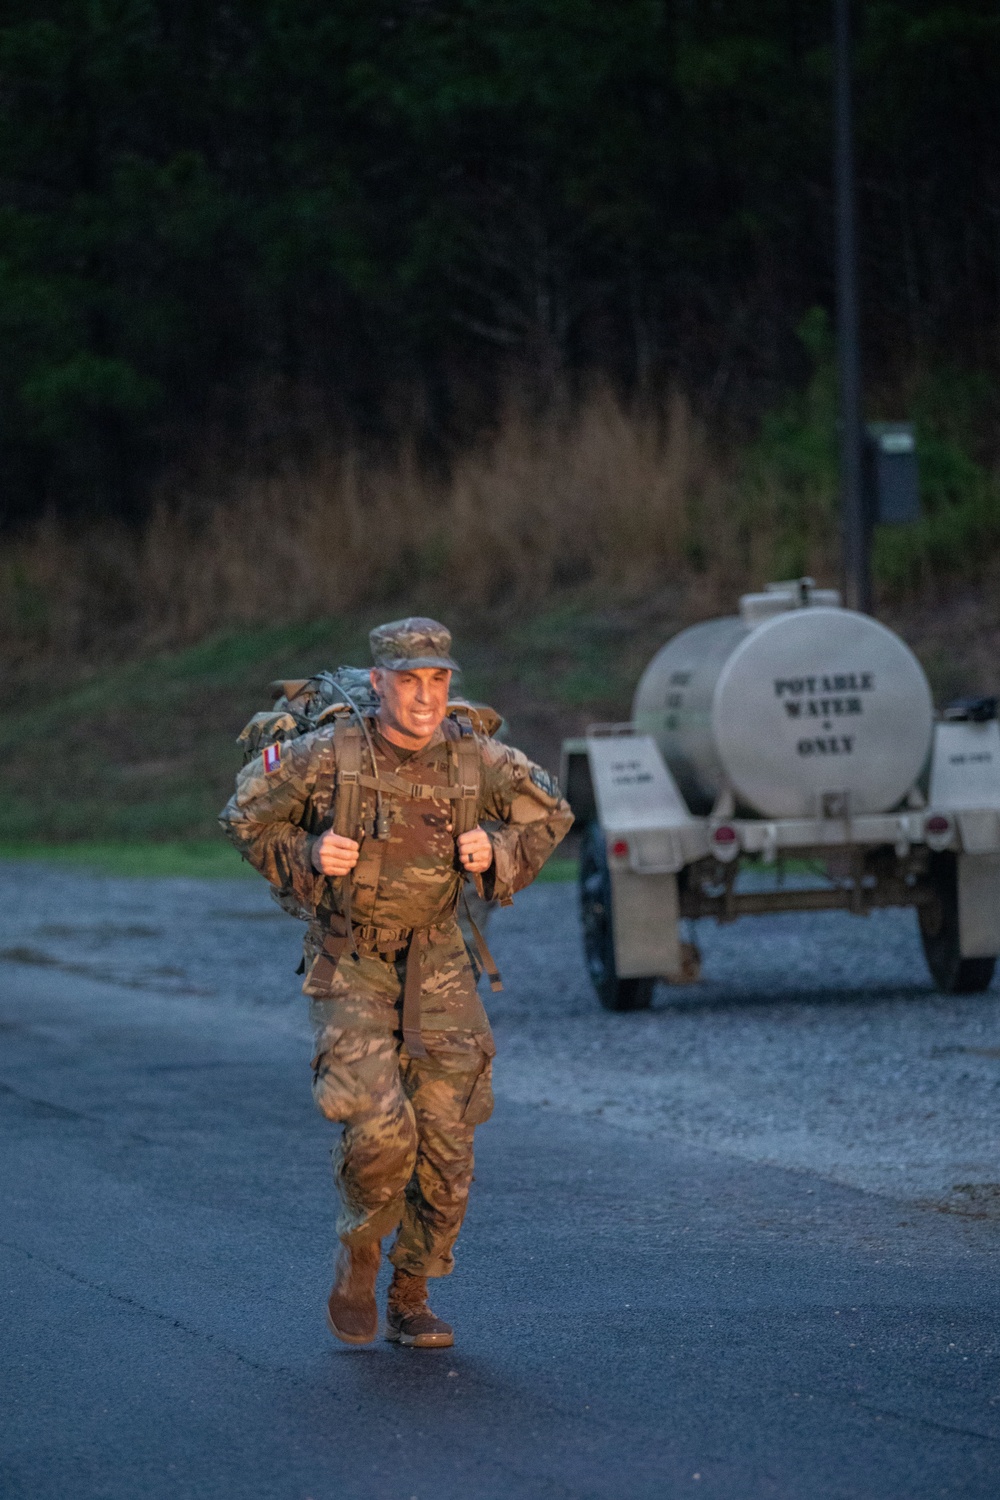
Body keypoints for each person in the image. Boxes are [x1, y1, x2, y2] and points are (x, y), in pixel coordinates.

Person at [220, 617, 572, 1349]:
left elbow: (553, 813)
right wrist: (311, 852)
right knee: (382, 1133)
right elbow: (245, 817)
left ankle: (411, 1294)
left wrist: (497, 853)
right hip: (351, 958)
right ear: (378, 683)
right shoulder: (325, 756)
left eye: (437, 680)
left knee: (448, 1147)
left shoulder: (478, 759)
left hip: (439, 961)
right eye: (408, 681)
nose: (424, 697)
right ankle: (360, 1246)